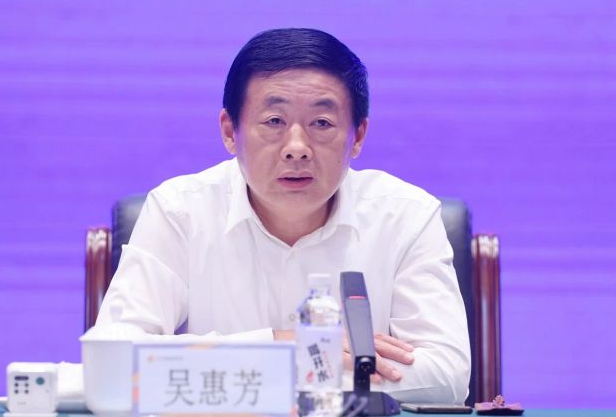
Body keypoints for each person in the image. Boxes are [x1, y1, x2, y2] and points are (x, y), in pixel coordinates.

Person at [95, 28, 470, 404]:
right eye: (274, 121)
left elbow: (446, 374)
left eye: (321, 123)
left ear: (357, 137)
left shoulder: (406, 216)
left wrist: (264, 369)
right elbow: (111, 360)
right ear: (230, 131)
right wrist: (284, 348)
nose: (297, 148)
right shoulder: (179, 212)